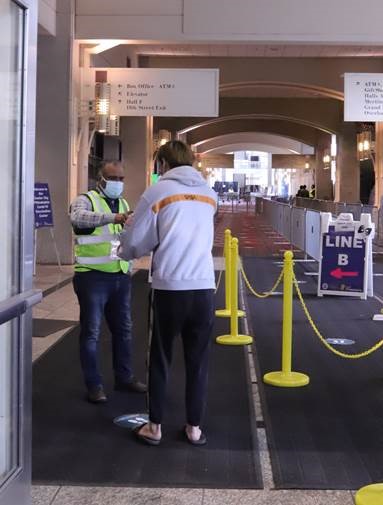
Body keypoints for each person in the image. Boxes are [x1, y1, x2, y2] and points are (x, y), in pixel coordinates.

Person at [119, 140, 217, 446]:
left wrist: (125, 249)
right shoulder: (210, 194)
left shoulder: (158, 191)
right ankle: (194, 428)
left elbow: (137, 241)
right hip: (203, 286)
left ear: (162, 163)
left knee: (160, 357)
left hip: (169, 287)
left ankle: (155, 427)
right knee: (198, 361)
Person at [70, 160, 146, 403]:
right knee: (91, 332)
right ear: (100, 178)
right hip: (92, 276)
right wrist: (114, 217)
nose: (118, 183)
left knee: (124, 330)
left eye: (121, 179)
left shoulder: (123, 203)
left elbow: (123, 236)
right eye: (113, 178)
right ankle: (94, 386)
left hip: (120, 275)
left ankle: (124, 378)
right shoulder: (86, 199)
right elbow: (78, 218)